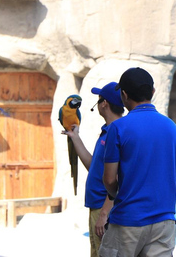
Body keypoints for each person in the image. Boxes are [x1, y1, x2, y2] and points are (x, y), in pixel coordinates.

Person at [100, 68, 176, 257]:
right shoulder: (173, 129)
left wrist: (115, 193)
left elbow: (109, 179)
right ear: (153, 92)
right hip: (165, 221)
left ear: (124, 95)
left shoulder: (118, 128)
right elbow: (172, 172)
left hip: (128, 222)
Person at [62, 82, 124, 257]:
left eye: (99, 100)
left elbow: (119, 178)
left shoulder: (117, 132)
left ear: (104, 104)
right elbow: (95, 168)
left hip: (105, 208)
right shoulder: (106, 132)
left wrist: (105, 212)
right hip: (96, 206)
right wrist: (75, 138)